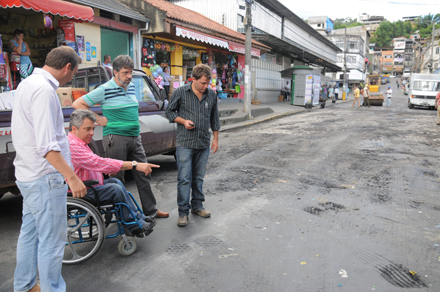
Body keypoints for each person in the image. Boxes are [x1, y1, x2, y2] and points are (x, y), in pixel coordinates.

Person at [11, 46, 87, 292]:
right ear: (67, 67)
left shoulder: (28, 83)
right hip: (45, 177)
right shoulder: (44, 90)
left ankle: (24, 285)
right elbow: (46, 146)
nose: (72, 77)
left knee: (30, 235)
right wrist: (72, 178)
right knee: (52, 243)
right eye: (73, 73)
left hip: (29, 175)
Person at [72, 55, 169, 219]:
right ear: (115, 72)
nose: (129, 76)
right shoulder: (105, 89)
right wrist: (98, 119)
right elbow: (78, 104)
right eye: (125, 73)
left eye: (130, 72)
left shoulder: (130, 87)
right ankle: (121, 216)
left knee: (143, 172)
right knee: (117, 178)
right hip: (115, 138)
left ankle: (151, 210)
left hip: (134, 137)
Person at [68, 109, 158, 234]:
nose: (92, 133)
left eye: (93, 129)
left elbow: (93, 164)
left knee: (115, 181)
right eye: (87, 129)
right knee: (114, 189)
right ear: (74, 128)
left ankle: (137, 218)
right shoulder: (73, 146)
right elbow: (98, 162)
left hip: (89, 184)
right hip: (82, 191)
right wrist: (134, 164)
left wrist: (108, 170)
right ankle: (134, 225)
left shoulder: (79, 142)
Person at [165, 64, 220, 227]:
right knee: (184, 178)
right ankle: (183, 212)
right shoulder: (181, 92)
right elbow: (169, 112)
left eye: (207, 83)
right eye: (202, 83)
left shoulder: (211, 95)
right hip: (185, 143)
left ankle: (197, 206)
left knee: (198, 177)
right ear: (193, 79)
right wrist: (183, 121)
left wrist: (215, 139)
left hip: (203, 142)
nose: (205, 86)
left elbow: (215, 118)